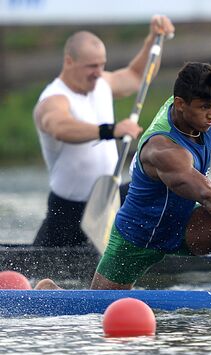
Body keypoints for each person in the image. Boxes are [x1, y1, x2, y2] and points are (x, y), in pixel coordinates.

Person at [35, 6, 211, 291]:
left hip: (183, 224)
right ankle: (50, 291)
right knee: (97, 310)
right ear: (180, 104)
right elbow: (204, 192)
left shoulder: (203, 101)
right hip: (137, 235)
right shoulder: (163, 148)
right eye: (205, 108)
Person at [32, 15, 175, 248]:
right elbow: (59, 127)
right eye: (91, 66)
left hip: (108, 199)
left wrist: (153, 38)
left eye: (101, 64)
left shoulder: (102, 84)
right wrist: (111, 130)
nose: (99, 72)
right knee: (50, 268)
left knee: (160, 187)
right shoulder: (53, 99)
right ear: (69, 61)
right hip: (69, 208)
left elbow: (138, 76)